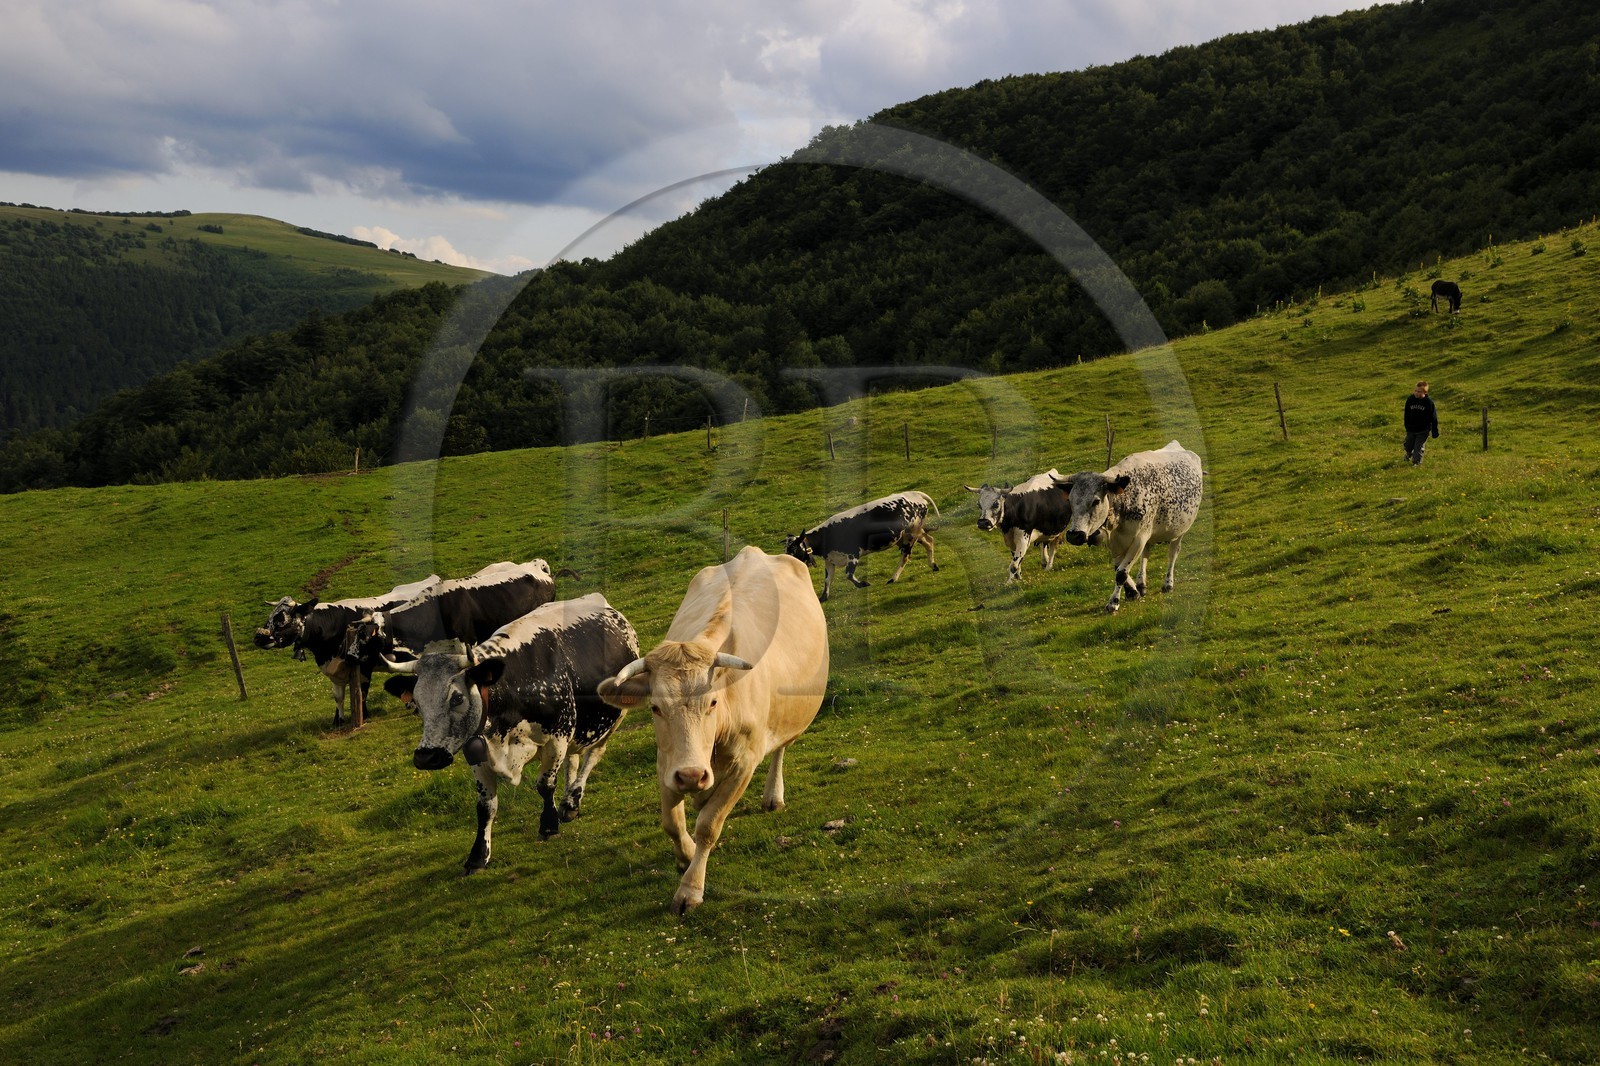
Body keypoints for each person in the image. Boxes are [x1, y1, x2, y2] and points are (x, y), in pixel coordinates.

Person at [1402, 380, 1439, 465]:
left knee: (1418, 448)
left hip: (1423, 430)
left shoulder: (1429, 403)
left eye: (1419, 392)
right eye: (1415, 391)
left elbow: (1433, 418)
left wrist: (1434, 431)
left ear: (1425, 392)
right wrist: (1407, 426)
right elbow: (1406, 414)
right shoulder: (1410, 399)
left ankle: (1416, 463)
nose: (1416, 393)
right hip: (1411, 429)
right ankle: (1408, 453)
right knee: (1408, 445)